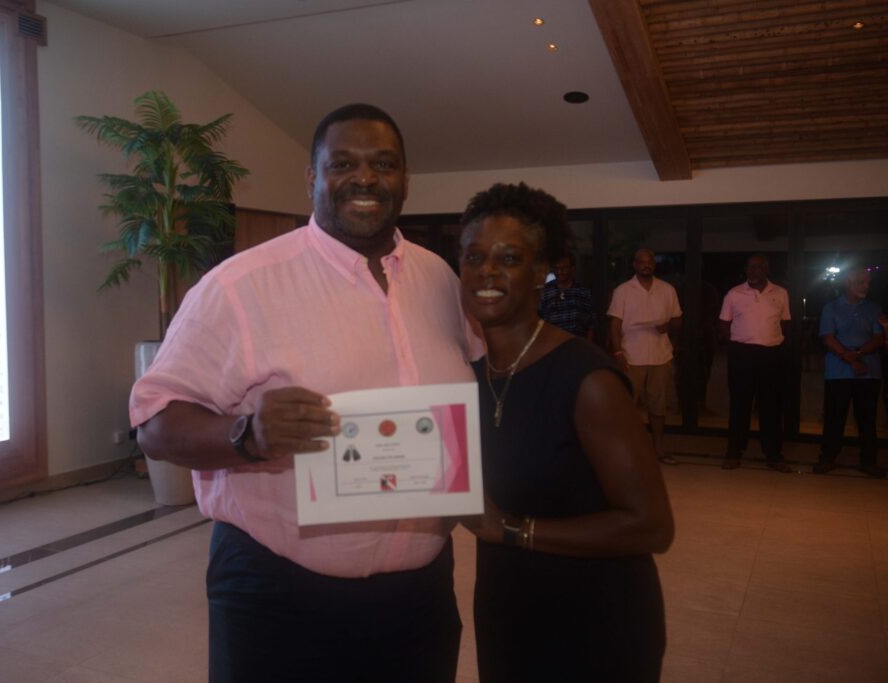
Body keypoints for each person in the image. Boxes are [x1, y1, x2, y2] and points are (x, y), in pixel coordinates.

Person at [131, 104, 479, 683]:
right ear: (311, 177)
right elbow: (154, 423)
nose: (364, 178)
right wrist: (246, 435)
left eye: (383, 164)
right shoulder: (239, 286)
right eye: (343, 163)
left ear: (405, 180)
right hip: (279, 595)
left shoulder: (440, 280)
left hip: (419, 594)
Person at [458, 182, 673, 682]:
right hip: (508, 610)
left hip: (595, 622)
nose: (487, 271)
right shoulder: (470, 376)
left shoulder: (586, 378)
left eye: (509, 258)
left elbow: (653, 526)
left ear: (540, 272)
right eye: (474, 257)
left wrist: (512, 529)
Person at [607, 248, 683, 465]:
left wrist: (668, 325)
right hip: (632, 356)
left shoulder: (667, 289)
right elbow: (615, 324)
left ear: (654, 265)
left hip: (660, 357)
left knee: (658, 407)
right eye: (641, 262)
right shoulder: (623, 291)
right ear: (635, 265)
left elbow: (678, 320)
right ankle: (627, 451)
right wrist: (618, 352)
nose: (646, 265)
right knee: (628, 407)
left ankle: (658, 450)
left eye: (649, 261)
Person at [718, 253, 793, 472]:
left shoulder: (780, 293)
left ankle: (773, 455)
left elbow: (785, 323)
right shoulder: (734, 293)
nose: (753, 271)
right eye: (750, 267)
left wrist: (771, 340)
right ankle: (734, 453)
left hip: (771, 355)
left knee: (771, 406)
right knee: (739, 405)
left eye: (758, 267)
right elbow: (723, 323)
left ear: (766, 269)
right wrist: (737, 343)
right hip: (742, 354)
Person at [813, 267, 885, 478]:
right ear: (848, 282)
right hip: (838, 371)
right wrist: (850, 358)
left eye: (867, 282)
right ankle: (828, 457)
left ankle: (868, 461)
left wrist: (857, 354)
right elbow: (828, 338)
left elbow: (878, 338)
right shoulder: (831, 308)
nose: (866, 286)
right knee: (834, 417)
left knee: (867, 419)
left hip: (868, 372)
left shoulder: (874, 309)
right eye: (861, 282)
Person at [537, 252, 595, 341]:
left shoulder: (582, 292)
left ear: (572, 268)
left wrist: (588, 346)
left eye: (563, 268)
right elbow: (538, 321)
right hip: (552, 343)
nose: (559, 272)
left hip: (577, 344)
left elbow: (591, 324)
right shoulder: (545, 292)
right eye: (556, 268)